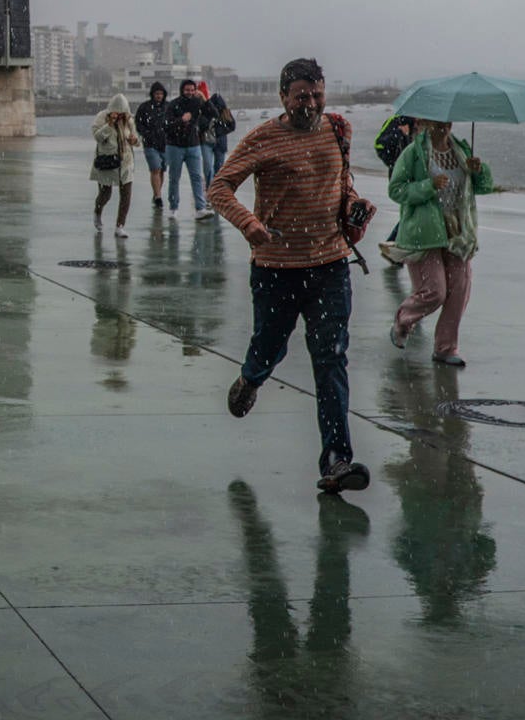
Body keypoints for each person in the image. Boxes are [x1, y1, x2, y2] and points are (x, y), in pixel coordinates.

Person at [209, 57, 372, 495]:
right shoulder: (263, 137)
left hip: (331, 266)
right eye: (302, 96)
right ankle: (250, 377)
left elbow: (342, 183)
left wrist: (355, 203)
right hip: (276, 270)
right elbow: (219, 187)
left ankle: (337, 460)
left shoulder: (338, 129)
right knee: (269, 349)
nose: (311, 104)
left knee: (331, 358)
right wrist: (249, 224)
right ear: (283, 97)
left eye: (317, 95)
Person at [386, 118, 494, 367]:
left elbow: (483, 187)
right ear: (424, 123)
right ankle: (404, 319)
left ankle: (446, 348)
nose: (443, 128)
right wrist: (428, 186)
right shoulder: (414, 153)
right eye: (436, 123)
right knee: (434, 291)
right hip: (424, 233)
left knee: (459, 291)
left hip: (458, 231)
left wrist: (479, 172)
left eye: (447, 123)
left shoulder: (462, 151)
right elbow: (396, 190)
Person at [165, 79, 215, 220]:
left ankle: (200, 208)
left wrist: (205, 100)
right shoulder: (174, 104)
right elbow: (167, 125)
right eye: (187, 90)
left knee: (197, 177)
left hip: (193, 145)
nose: (190, 93)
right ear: (182, 90)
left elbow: (213, 113)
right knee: (174, 177)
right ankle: (173, 208)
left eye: (192, 90)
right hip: (175, 146)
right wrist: (181, 120)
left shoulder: (197, 103)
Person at [91, 92, 138, 236]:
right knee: (105, 194)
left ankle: (120, 226)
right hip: (107, 161)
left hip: (126, 162)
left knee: (126, 195)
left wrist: (134, 140)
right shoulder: (102, 117)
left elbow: (137, 139)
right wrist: (109, 124)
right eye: (118, 113)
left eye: (123, 113)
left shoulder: (129, 120)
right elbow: (97, 137)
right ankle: (98, 212)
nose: (120, 116)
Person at [373, 114, 417, 258]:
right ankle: (394, 247)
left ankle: (393, 248)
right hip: (403, 178)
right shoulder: (398, 120)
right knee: (412, 212)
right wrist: (399, 134)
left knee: (412, 213)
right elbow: (379, 144)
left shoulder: (428, 123)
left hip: (419, 178)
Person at [134, 81, 170, 212]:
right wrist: (146, 133)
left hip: (165, 143)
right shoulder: (144, 107)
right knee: (155, 169)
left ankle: (156, 193)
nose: (159, 96)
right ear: (152, 94)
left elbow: (173, 122)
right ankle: (159, 197)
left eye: (161, 93)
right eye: (157, 93)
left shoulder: (168, 106)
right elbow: (138, 123)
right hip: (150, 144)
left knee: (162, 170)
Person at [202, 81, 236, 180]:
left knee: (217, 168)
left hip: (218, 143)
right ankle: (212, 187)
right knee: (214, 168)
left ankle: (213, 187)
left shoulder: (224, 113)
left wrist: (219, 131)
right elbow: (232, 126)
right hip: (212, 142)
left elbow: (232, 125)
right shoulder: (213, 112)